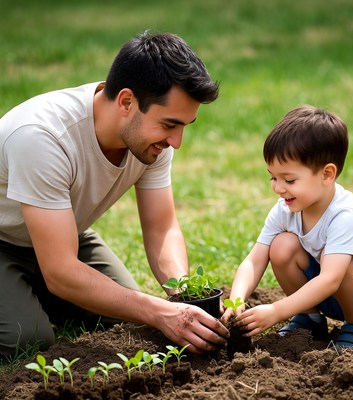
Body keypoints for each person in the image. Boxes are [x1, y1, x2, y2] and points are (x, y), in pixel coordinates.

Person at [0, 31, 229, 359]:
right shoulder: (41, 137)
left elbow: (162, 229)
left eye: (184, 127)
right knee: (28, 339)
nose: (177, 141)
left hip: (64, 234)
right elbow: (62, 270)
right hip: (4, 240)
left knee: (127, 316)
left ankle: (33, 292)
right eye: (169, 125)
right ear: (126, 102)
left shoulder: (150, 141)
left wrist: (185, 297)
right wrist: (159, 312)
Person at [223, 105, 353, 350]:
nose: (277, 188)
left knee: (338, 258)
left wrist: (276, 310)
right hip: (326, 288)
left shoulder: (346, 215)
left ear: (327, 174)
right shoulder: (285, 210)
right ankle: (309, 318)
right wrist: (237, 299)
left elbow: (330, 279)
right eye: (272, 177)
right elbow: (254, 260)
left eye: (289, 180)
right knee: (281, 246)